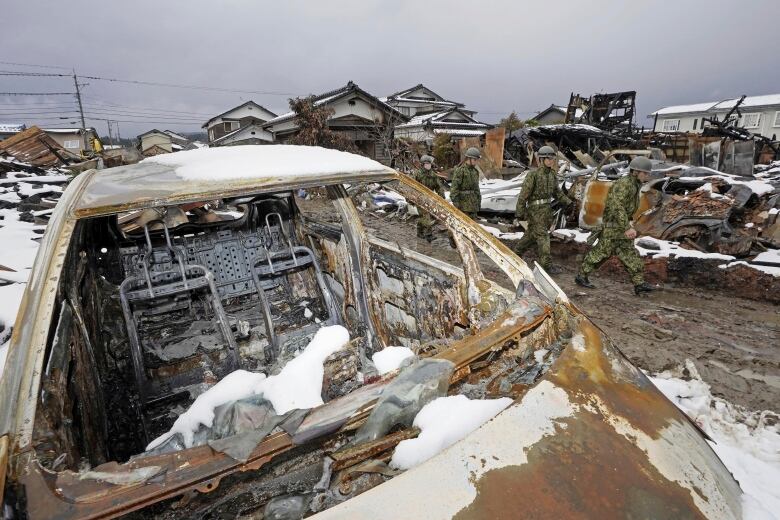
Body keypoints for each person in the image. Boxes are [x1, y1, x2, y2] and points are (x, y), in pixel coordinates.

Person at [575, 156, 656, 296]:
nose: (647, 176)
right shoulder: (625, 184)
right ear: (636, 172)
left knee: (629, 254)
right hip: (613, 227)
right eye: (645, 173)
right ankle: (582, 276)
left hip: (620, 226)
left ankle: (639, 283)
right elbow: (617, 207)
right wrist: (627, 227)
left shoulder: (634, 184)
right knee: (601, 253)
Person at [512, 145, 572, 274]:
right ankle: (547, 265)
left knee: (531, 236)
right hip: (535, 211)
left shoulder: (552, 174)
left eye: (552, 159)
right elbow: (523, 196)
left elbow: (557, 192)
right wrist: (519, 213)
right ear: (542, 159)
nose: (551, 161)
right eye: (548, 159)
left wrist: (568, 202)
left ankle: (514, 255)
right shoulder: (533, 175)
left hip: (546, 211)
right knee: (543, 236)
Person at [413, 154, 445, 241]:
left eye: (429, 164)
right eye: (426, 164)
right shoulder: (417, 174)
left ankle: (419, 231)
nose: (428, 166)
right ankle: (429, 235)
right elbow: (411, 186)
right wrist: (411, 199)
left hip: (429, 199)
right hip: (419, 199)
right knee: (426, 216)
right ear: (422, 164)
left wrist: (442, 197)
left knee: (424, 216)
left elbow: (438, 186)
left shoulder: (432, 175)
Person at [450, 147, 482, 220]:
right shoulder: (460, 171)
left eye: (477, 160)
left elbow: (476, 189)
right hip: (463, 206)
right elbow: (454, 189)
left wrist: (478, 202)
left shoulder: (475, 172)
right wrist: (456, 205)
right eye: (475, 159)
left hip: (473, 206)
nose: (476, 161)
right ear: (469, 159)